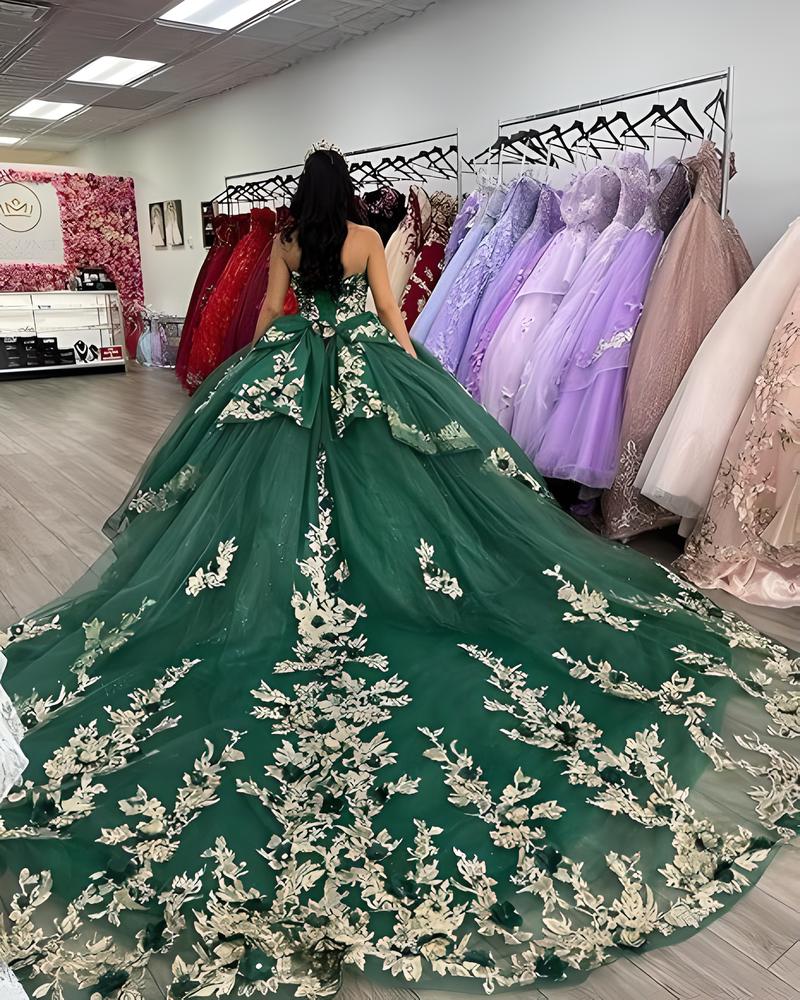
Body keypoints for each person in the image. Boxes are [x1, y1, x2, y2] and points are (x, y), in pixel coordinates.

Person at [0, 141, 796, 1000]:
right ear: (348, 195)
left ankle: (301, 584)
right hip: (364, 372)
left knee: (278, 498)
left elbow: (268, 317)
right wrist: (421, 383)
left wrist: (255, 371)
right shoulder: (366, 240)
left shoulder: (287, 244)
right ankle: (373, 576)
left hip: (291, 370)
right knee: (386, 496)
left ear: (300, 196)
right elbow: (391, 320)